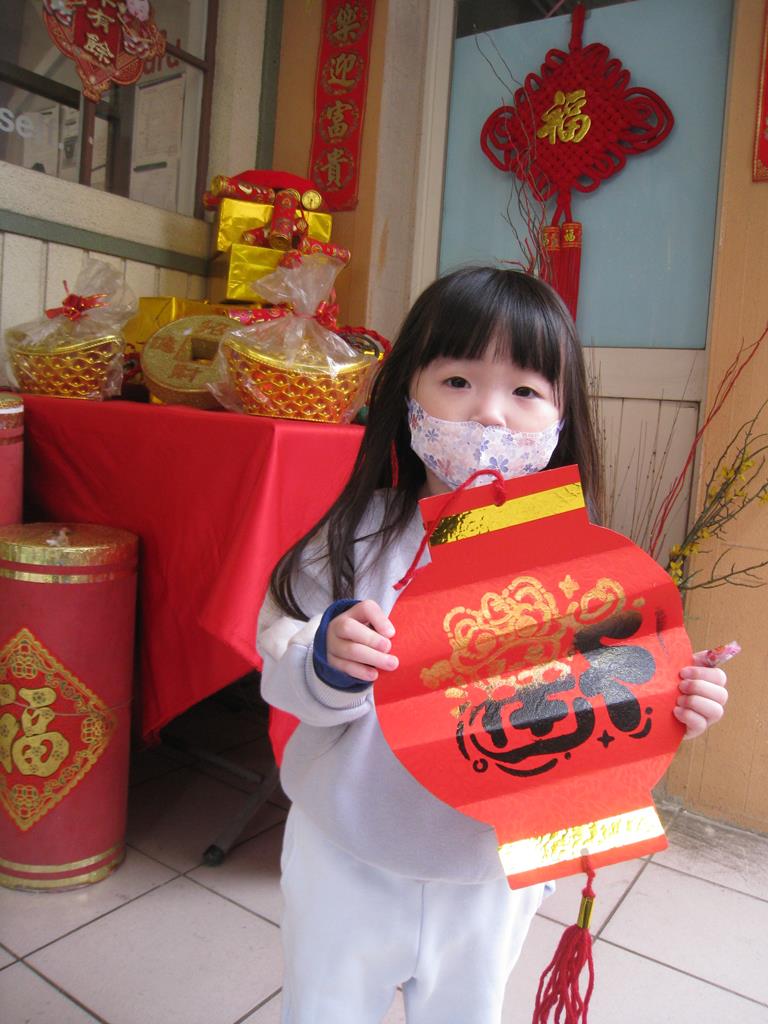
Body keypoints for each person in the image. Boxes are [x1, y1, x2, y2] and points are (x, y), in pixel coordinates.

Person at [258, 267, 729, 1024]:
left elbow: (607, 697)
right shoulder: (353, 538)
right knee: (324, 1008)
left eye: (525, 391)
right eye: (457, 381)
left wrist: (674, 697)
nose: (489, 414)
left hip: (492, 872)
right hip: (345, 850)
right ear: (408, 394)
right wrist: (325, 659)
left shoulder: (583, 570)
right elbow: (280, 662)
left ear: (561, 419)